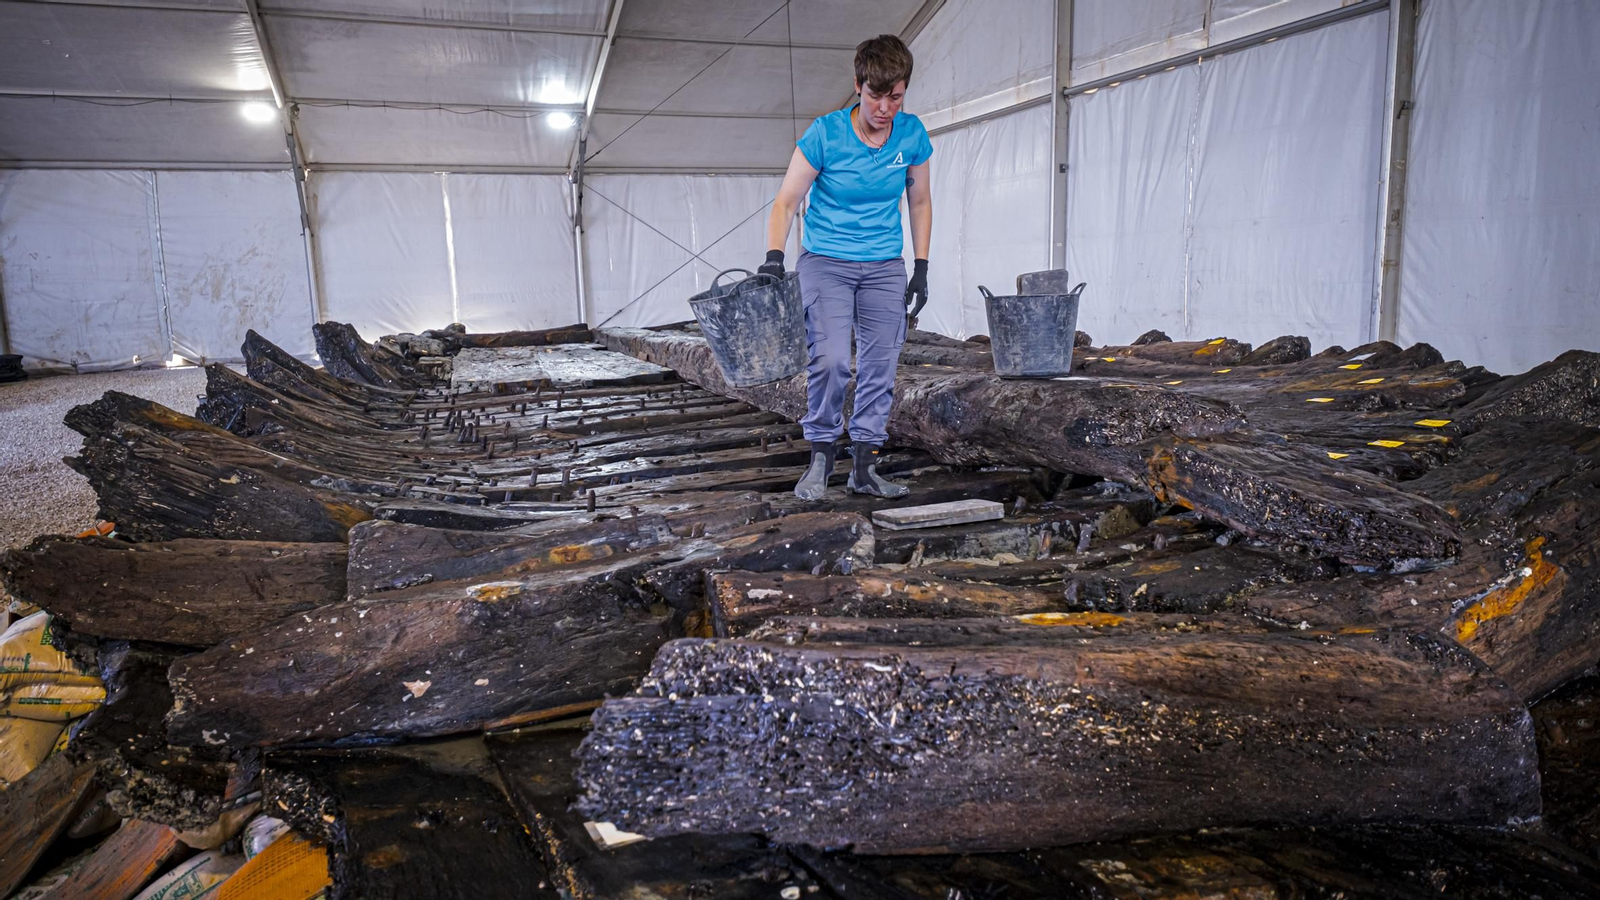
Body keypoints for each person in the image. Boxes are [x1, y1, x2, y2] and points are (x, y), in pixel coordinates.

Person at [759, 34, 933, 501]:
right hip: (826, 261)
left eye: (895, 97)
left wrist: (921, 265)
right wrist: (775, 258)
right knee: (833, 359)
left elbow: (919, 202)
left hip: (883, 265)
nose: (885, 108)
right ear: (858, 86)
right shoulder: (825, 134)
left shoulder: (912, 134)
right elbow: (786, 202)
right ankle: (820, 457)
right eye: (876, 96)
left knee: (881, 364)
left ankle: (864, 467)